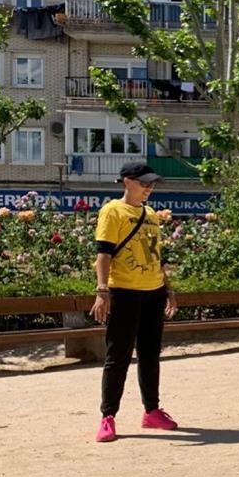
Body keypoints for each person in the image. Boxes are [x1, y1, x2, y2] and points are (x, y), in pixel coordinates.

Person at [91, 162, 179, 443]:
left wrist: (169, 289)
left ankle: (151, 411)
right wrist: (102, 291)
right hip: (124, 292)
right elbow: (103, 254)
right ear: (127, 182)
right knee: (117, 357)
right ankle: (108, 417)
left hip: (153, 292)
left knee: (150, 355)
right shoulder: (112, 211)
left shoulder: (151, 214)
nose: (149, 188)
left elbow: (157, 256)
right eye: (144, 183)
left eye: (152, 184)